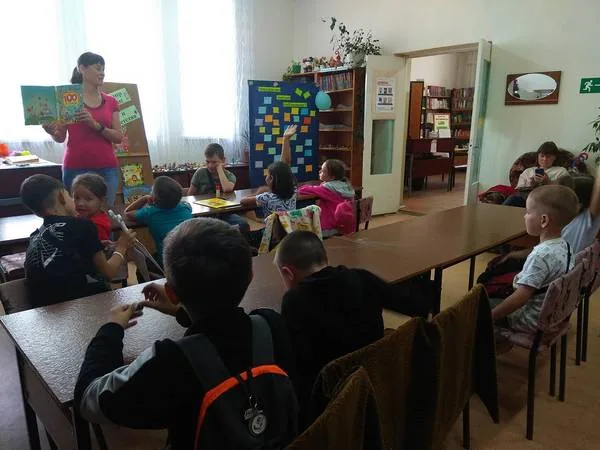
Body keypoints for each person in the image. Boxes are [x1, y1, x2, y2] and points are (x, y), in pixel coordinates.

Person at [74, 218, 297, 449]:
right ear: (250, 277)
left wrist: (111, 329)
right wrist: (182, 312)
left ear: (171, 293)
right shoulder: (272, 325)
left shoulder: (170, 361)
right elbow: (223, 334)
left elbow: (87, 398)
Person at [274, 231, 384, 421]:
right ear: (325, 258)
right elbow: (411, 302)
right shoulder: (362, 278)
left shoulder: (294, 301)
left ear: (288, 273)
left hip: (325, 403)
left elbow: (294, 360)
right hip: (371, 384)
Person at [20, 174, 135, 306]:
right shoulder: (82, 226)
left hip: (41, 313)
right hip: (79, 311)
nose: (77, 202)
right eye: (71, 196)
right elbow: (109, 273)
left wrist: (95, 246)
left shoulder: (35, 236)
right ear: (61, 197)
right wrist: (122, 246)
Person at [491, 185, 578, 332]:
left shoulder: (540, 256)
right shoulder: (565, 246)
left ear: (543, 220)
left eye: (528, 212)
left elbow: (520, 299)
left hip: (530, 319)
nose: (525, 216)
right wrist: (512, 255)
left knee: (479, 305)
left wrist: (491, 316)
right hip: (553, 314)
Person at [42, 52, 122, 206]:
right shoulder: (68, 99)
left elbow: (118, 137)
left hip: (106, 168)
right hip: (75, 167)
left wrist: (95, 125)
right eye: (98, 68)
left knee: (105, 213)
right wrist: (51, 132)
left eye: (103, 69)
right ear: (82, 68)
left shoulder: (111, 101)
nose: (102, 73)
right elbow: (60, 137)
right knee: (76, 213)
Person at [124, 176, 193, 264]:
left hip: (166, 262)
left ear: (154, 198)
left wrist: (144, 198)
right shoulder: (186, 207)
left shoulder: (149, 213)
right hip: (190, 259)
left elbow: (127, 213)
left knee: (142, 264)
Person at [188, 143, 249, 233]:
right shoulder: (200, 173)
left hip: (222, 214)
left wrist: (220, 169)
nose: (210, 165)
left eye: (214, 162)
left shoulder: (230, 176)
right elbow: (190, 195)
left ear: (223, 160)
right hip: (203, 214)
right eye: (207, 162)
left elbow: (227, 189)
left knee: (243, 225)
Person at [240, 125, 298, 218]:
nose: (265, 177)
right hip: (290, 227)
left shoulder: (267, 197)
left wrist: (257, 194)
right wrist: (286, 139)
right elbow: (285, 166)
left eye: (267, 175)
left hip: (272, 228)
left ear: (271, 179)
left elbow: (243, 201)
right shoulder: (293, 192)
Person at [297, 159, 355, 236]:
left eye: (323, 171)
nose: (319, 171)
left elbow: (303, 190)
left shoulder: (327, 189)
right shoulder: (347, 186)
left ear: (332, 177)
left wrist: (320, 185)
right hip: (345, 227)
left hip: (329, 228)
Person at [503, 142, 569, 207]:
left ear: (554, 157)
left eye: (548, 157)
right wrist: (532, 185)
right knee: (512, 199)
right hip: (527, 198)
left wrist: (548, 182)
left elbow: (565, 192)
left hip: (547, 199)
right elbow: (518, 190)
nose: (544, 159)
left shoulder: (561, 171)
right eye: (542, 156)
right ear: (538, 156)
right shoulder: (528, 171)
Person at [71, 173, 111, 241]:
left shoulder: (97, 226)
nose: (80, 203)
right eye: (76, 198)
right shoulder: (80, 216)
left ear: (102, 200)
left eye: (88, 199)